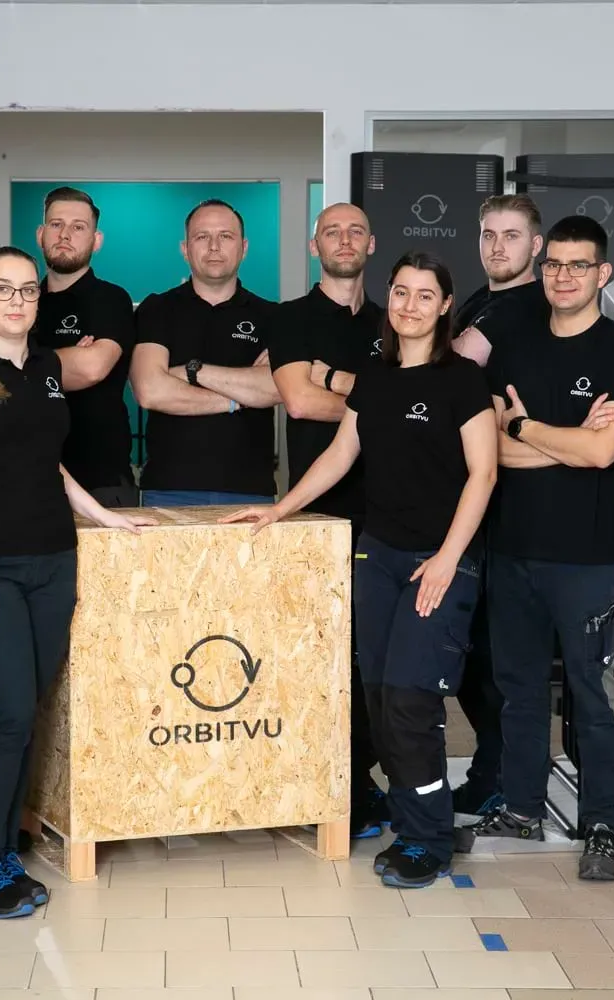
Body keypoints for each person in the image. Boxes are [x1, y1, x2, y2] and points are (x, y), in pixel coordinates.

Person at [226, 251, 497, 888]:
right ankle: (413, 820)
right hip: (378, 555)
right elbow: (340, 455)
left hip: (439, 560)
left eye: (424, 295)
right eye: (400, 292)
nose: (409, 306)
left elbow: (483, 473)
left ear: (444, 306)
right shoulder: (374, 376)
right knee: (375, 696)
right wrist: (279, 509)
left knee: (409, 698)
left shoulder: (461, 380)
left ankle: (428, 838)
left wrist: (448, 559)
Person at [0, 245, 154, 918]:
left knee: (29, 711)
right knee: (8, 714)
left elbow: (46, 462)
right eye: (2, 288)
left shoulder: (46, 368)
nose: (16, 301)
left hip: (53, 562)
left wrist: (101, 514)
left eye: (27, 290)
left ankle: (5, 853)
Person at [460, 216, 614, 881]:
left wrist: (528, 428)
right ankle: (521, 807)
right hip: (512, 548)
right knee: (518, 691)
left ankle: (603, 824)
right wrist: (565, 443)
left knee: (592, 696)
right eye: (555, 265)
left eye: (578, 265)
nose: (563, 276)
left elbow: (602, 453)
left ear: (603, 274)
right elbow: (487, 449)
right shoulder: (513, 343)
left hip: (585, 557)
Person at [269, 202, 386, 839]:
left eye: (354, 231)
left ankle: (363, 781)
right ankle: (330, 782)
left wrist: (339, 381)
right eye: (331, 232)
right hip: (317, 514)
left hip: (390, 514)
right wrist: (383, 401)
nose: (344, 240)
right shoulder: (290, 318)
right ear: (314, 246)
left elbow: (418, 400)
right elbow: (300, 401)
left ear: (371, 243)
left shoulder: (393, 319)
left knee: (374, 657)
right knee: (324, 655)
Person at [448, 194, 551, 818]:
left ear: (535, 246)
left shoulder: (525, 305)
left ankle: (504, 780)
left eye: (511, 236)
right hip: (474, 500)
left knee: (494, 657)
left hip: (512, 504)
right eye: (489, 234)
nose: (497, 246)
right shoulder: (480, 302)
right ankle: (494, 771)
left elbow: (450, 368)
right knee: (472, 652)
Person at [130, 199, 281, 506]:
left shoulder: (273, 317)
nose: (214, 246)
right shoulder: (157, 309)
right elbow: (150, 391)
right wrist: (238, 399)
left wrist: (191, 372)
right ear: (185, 249)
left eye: (225, 236)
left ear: (244, 248)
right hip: (169, 489)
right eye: (202, 236)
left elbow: (277, 388)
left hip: (251, 490)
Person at [35, 186, 138, 506]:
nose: (65, 234)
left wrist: (19, 365)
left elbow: (93, 368)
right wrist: (69, 358)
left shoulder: (111, 299)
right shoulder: (23, 301)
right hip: (29, 477)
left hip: (102, 481)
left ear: (96, 240)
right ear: (41, 234)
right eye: (56, 224)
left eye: (78, 227)